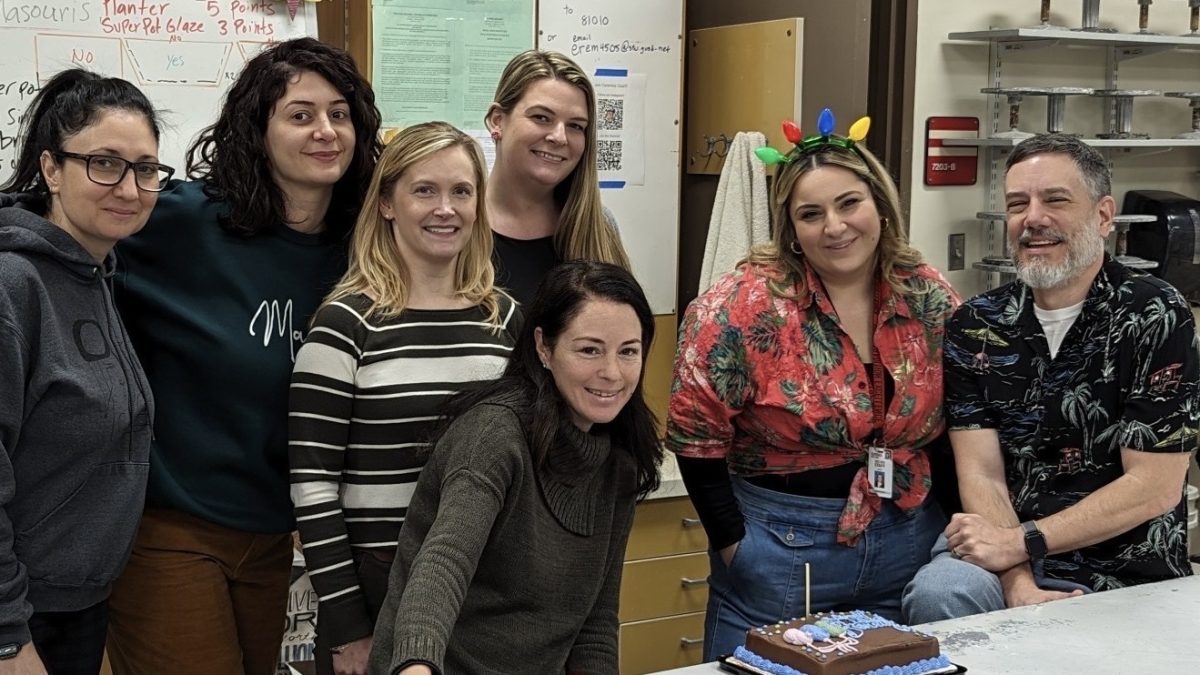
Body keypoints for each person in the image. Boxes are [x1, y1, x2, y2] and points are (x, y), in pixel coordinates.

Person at [106, 38, 382, 675]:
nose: (325, 131)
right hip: (169, 529)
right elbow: (55, 221)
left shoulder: (364, 250)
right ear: (257, 131)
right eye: (300, 114)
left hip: (275, 538)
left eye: (340, 114)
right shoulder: (181, 221)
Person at [667, 111, 961, 660]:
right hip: (782, 553)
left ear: (879, 203)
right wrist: (736, 548)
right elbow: (694, 437)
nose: (835, 226)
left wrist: (959, 525)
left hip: (908, 542)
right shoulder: (741, 306)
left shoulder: (927, 295)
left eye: (849, 203)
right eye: (811, 213)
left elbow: (956, 425)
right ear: (792, 231)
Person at [902, 133, 1199, 623]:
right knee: (941, 593)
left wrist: (1020, 542)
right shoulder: (976, 325)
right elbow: (981, 473)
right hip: (998, 557)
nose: (1032, 218)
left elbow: (1155, 486)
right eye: (1018, 204)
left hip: (1126, 564)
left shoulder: (1154, 312)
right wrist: (1016, 580)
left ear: (1104, 216)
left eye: (1054, 200)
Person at [288, 121, 520, 675]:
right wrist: (348, 628)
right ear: (388, 203)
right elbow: (313, 485)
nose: (446, 208)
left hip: (484, 584)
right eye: (425, 191)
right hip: (376, 586)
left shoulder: (504, 319)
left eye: (461, 192)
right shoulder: (345, 323)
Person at [368, 261, 662, 674]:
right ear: (544, 347)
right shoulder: (493, 436)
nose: (612, 372)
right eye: (589, 349)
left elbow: (595, 623)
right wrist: (416, 666)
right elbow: (443, 563)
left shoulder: (620, 463)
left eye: (628, 351)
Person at [0, 69, 171, 675]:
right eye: (105, 163)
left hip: (77, 605)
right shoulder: (15, 284)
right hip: (23, 617)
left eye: (146, 168)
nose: (129, 187)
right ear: (51, 169)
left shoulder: (95, 272)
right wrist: (8, 636)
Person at [484, 50, 630, 304]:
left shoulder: (599, 227)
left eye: (575, 126)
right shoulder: (455, 223)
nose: (559, 137)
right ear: (498, 121)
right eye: (541, 118)